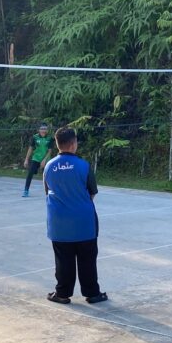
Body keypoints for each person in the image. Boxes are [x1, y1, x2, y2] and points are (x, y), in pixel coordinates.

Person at [43, 126, 107, 305]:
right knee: (88, 259)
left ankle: (62, 293)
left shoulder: (49, 166)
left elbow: (47, 192)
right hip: (84, 222)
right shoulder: (84, 165)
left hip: (59, 224)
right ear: (73, 144)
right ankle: (92, 293)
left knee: (63, 260)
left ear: (57, 144)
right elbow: (92, 192)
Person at [22, 122, 54, 198]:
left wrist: (44, 160)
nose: (43, 130)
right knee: (30, 173)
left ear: (47, 130)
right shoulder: (35, 137)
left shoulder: (50, 138)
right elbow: (30, 148)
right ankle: (26, 190)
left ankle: (50, 192)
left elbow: (50, 151)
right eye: (42, 129)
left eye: (45, 129)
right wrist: (26, 159)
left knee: (48, 176)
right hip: (36, 158)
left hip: (46, 159)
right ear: (39, 130)